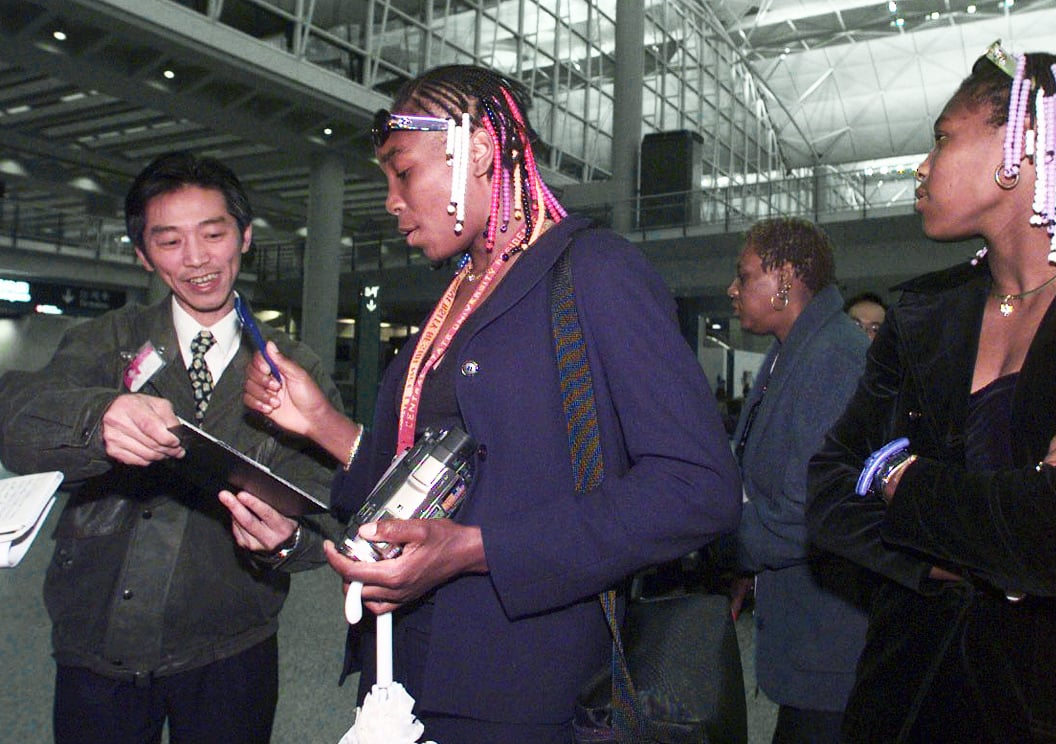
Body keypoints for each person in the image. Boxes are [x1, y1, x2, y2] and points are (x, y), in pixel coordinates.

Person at [239, 64, 741, 743]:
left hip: (525, 685)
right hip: (407, 666)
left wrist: (480, 550)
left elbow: (698, 487)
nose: (390, 200)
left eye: (403, 172)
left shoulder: (594, 272)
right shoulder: (454, 297)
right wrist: (321, 426)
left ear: (475, 149)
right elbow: (416, 478)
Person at [807, 40, 1056, 743]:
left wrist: (901, 479)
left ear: (1018, 139)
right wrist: (1022, 502)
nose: (920, 168)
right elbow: (830, 495)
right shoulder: (925, 310)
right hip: (906, 702)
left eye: (942, 138)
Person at [0, 151, 343, 744]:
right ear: (142, 254)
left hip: (231, 646)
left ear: (245, 237)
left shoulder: (295, 369)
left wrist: (286, 544)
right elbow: (16, 421)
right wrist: (97, 416)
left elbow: (327, 512)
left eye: (213, 234)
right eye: (170, 241)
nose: (198, 260)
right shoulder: (103, 341)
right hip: (95, 642)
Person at [726, 217, 873, 743]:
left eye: (744, 276)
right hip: (803, 634)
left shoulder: (834, 356)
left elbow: (804, 513)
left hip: (832, 647)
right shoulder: (792, 350)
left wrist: (722, 549)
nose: (733, 289)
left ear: (785, 277)